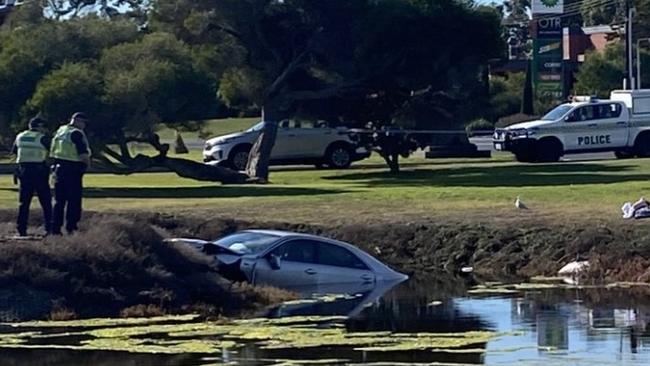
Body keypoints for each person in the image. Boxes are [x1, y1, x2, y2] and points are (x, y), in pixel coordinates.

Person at [50, 112, 91, 235]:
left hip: (58, 168)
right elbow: (83, 154)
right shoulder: (76, 133)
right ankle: (71, 227)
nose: (84, 125)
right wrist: (87, 165)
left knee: (59, 200)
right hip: (73, 169)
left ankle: (55, 229)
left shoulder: (61, 130)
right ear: (78, 121)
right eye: (84, 122)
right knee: (74, 200)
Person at [11, 116, 52, 237]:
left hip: (23, 171)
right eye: (43, 127)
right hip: (39, 171)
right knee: (45, 201)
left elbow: (14, 152)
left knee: (24, 202)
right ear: (39, 126)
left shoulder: (20, 136)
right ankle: (49, 227)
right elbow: (53, 151)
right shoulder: (42, 138)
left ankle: (21, 229)